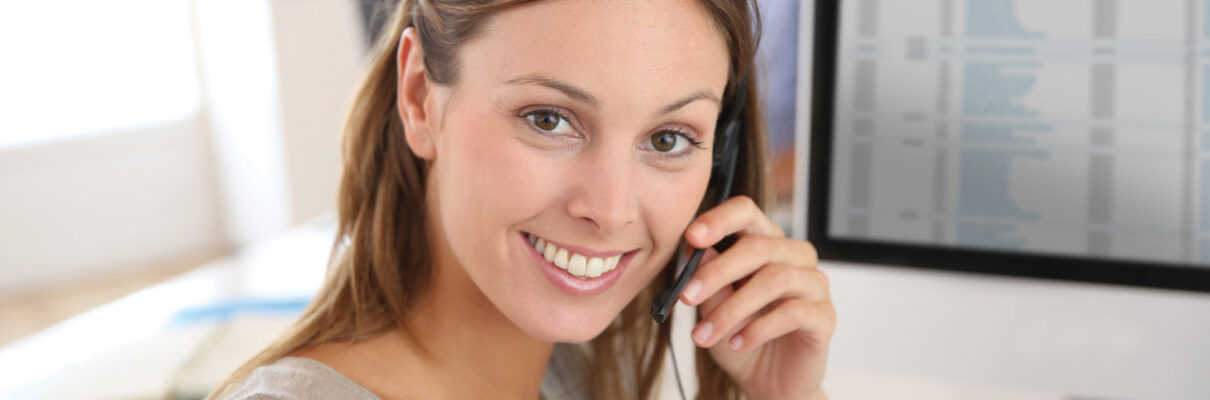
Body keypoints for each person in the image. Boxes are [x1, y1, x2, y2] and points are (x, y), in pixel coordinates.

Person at [209, 0, 834, 398]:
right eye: (548, 120)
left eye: (668, 139)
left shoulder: (581, 373)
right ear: (421, 97)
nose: (611, 209)